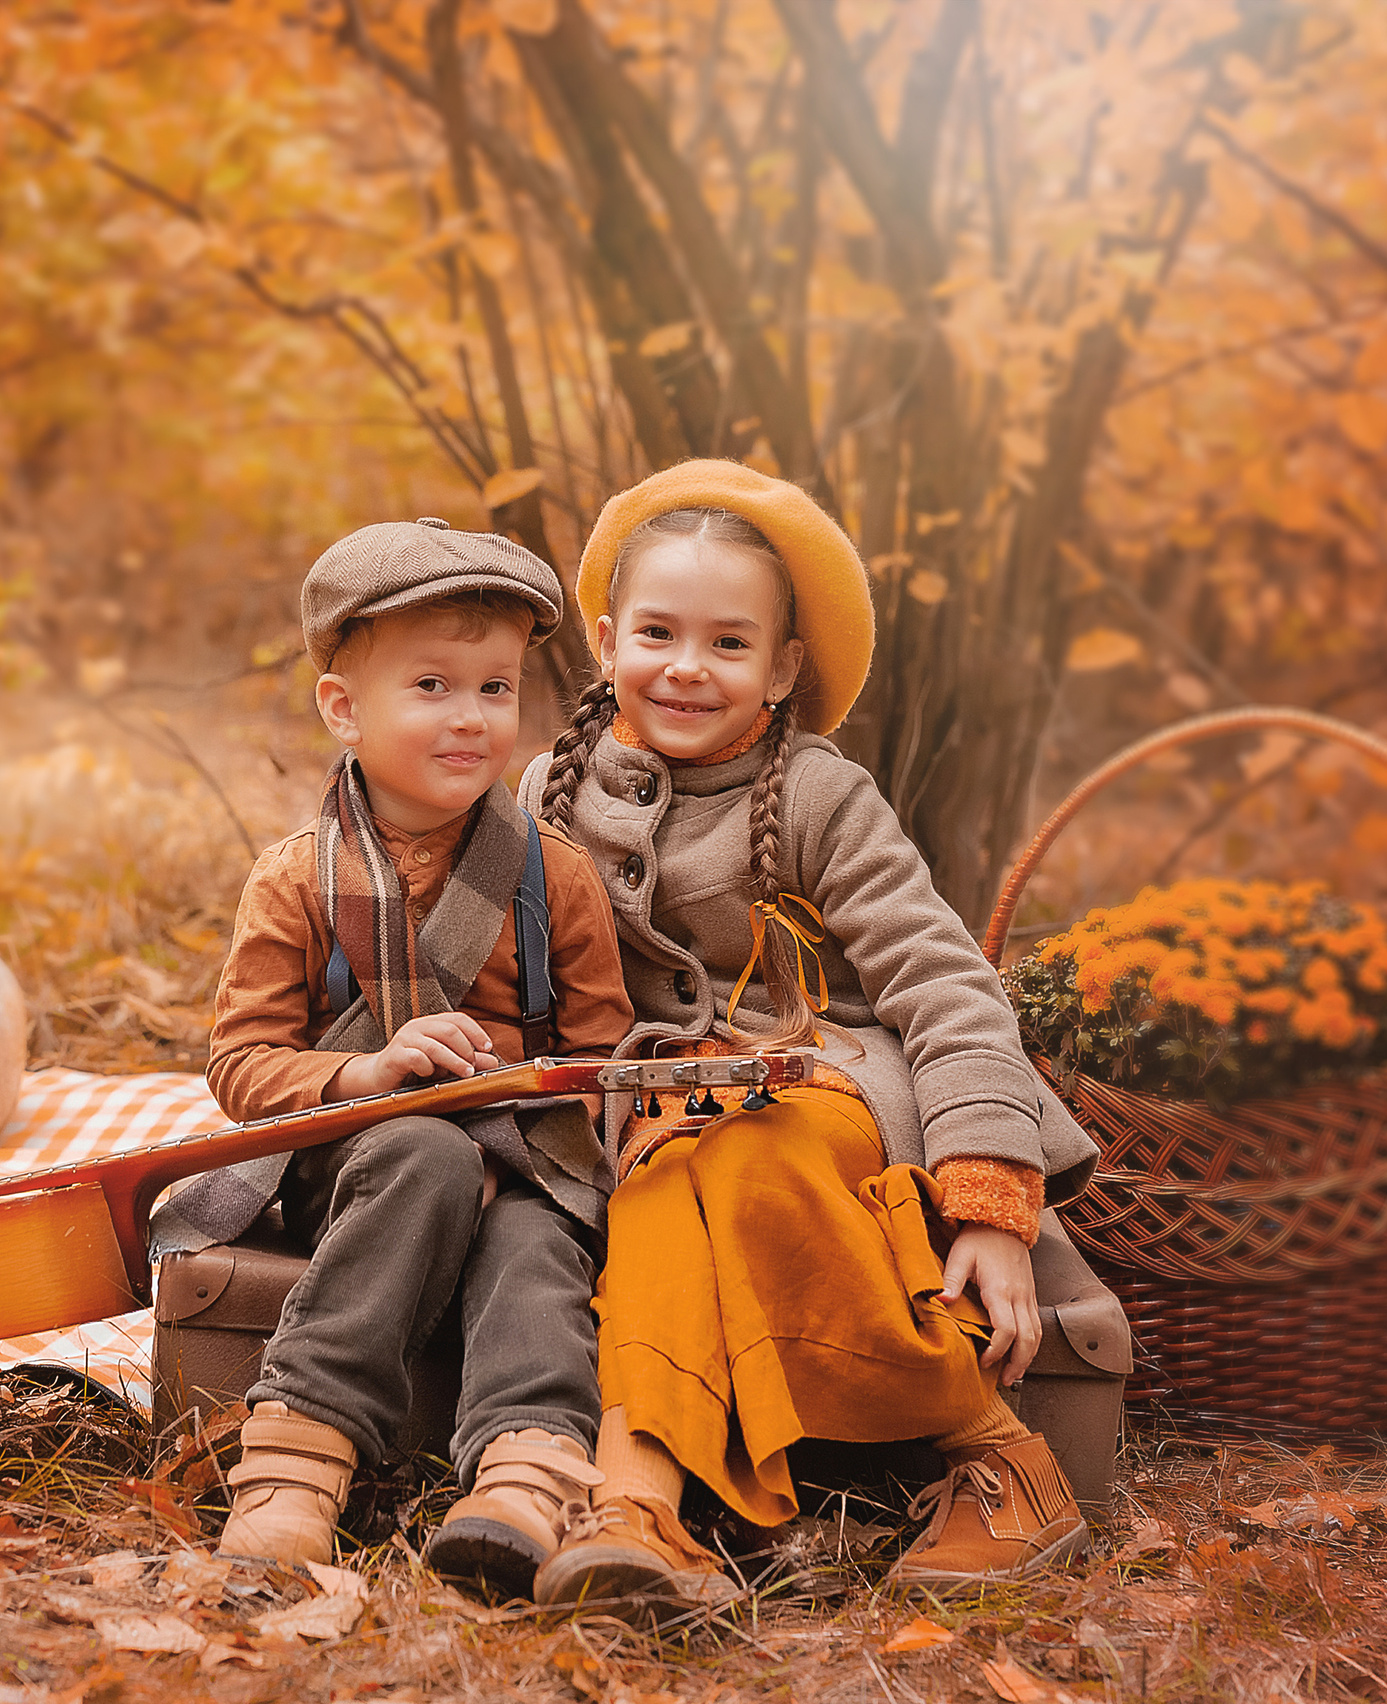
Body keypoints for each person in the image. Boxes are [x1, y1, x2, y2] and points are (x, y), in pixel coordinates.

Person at [514, 461, 1106, 1615]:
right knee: (664, 1171)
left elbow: (943, 982)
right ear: (602, 640)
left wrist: (988, 1197)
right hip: (647, 1107)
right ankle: (641, 1516)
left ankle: (992, 1451)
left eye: (730, 644)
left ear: (783, 668)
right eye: (657, 633)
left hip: (821, 1079)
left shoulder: (824, 798)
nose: (688, 667)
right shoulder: (548, 787)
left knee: (733, 1150)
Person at [151, 517, 635, 1601]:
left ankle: (523, 1476)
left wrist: (542, 1127)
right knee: (423, 1155)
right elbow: (242, 1067)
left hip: (523, 1161)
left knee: (531, 1245)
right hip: (364, 1170)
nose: (470, 718)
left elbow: (601, 1054)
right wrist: (364, 1076)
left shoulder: (552, 875)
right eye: (430, 686)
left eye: (495, 690)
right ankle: (297, 1457)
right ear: (342, 708)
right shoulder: (297, 880)